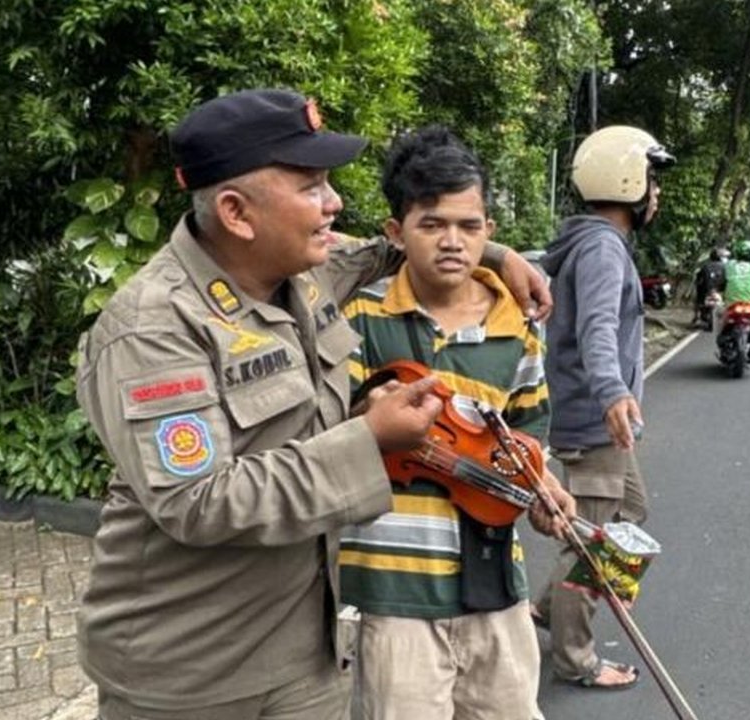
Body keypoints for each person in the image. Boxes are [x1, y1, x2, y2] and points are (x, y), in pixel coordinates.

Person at [73, 88, 553, 720]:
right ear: (237, 213)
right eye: (311, 187)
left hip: (306, 655)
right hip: (191, 673)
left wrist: (500, 254)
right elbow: (197, 502)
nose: (335, 204)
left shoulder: (308, 270)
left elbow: (402, 244)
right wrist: (371, 439)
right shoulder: (154, 328)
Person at [338, 126, 576, 720]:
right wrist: (369, 418)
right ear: (396, 233)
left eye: (469, 227)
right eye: (432, 225)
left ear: (489, 231)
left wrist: (541, 486)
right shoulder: (363, 316)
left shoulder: (516, 327)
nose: (452, 242)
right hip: (395, 589)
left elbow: (528, 433)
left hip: (495, 584)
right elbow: (332, 433)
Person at [531, 125, 674, 690]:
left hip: (597, 419)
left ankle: (548, 607)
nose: (656, 193)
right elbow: (596, 328)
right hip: (594, 421)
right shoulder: (601, 249)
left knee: (629, 513)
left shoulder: (595, 243)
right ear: (628, 180)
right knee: (594, 544)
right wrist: (613, 393)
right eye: (652, 181)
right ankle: (576, 658)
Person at [717, 239, 750, 360]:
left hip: (731, 303)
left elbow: (721, 283)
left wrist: (720, 291)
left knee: (719, 316)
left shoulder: (728, 266)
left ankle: (721, 336)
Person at [693, 246, 729, 329]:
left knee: (698, 300)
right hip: (719, 290)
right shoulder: (725, 267)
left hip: (707, 290)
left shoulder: (705, 266)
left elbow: (699, 278)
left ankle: (696, 316)